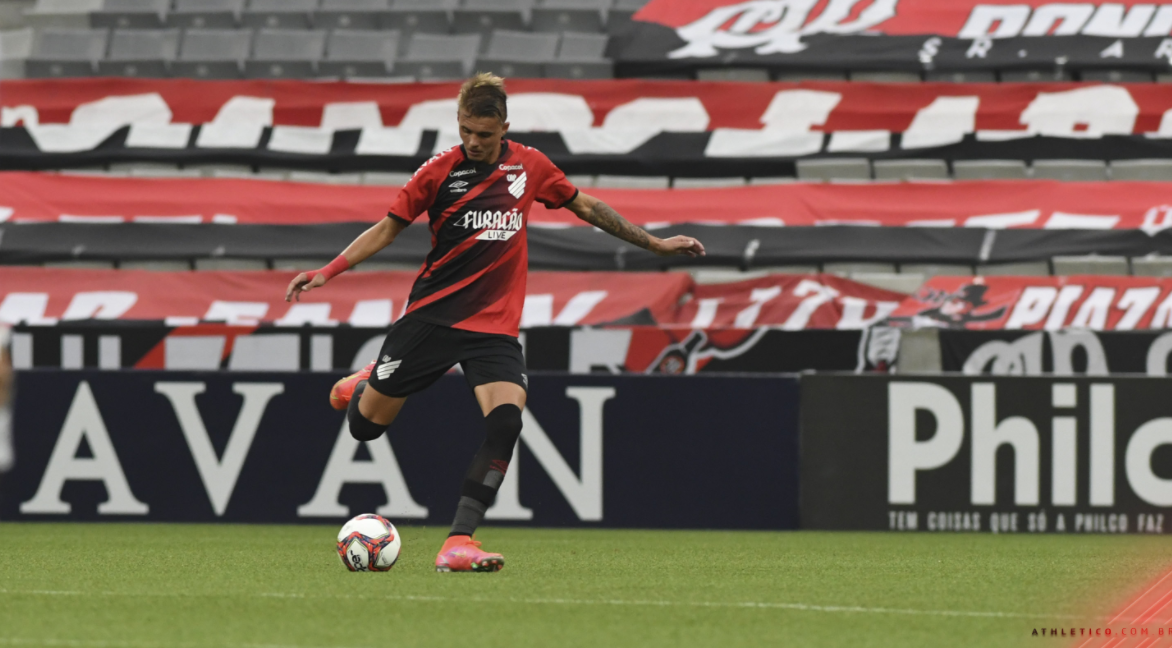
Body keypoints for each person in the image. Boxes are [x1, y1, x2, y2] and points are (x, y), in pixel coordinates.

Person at [286, 73, 705, 573]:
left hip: (494, 328)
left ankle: (458, 541)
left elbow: (586, 206)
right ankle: (366, 383)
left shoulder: (530, 166)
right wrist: (328, 272)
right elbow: (387, 229)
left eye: (484, 134)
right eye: (466, 131)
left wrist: (655, 244)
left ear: (504, 127)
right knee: (365, 429)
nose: (474, 142)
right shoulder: (438, 172)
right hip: (432, 319)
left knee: (507, 420)